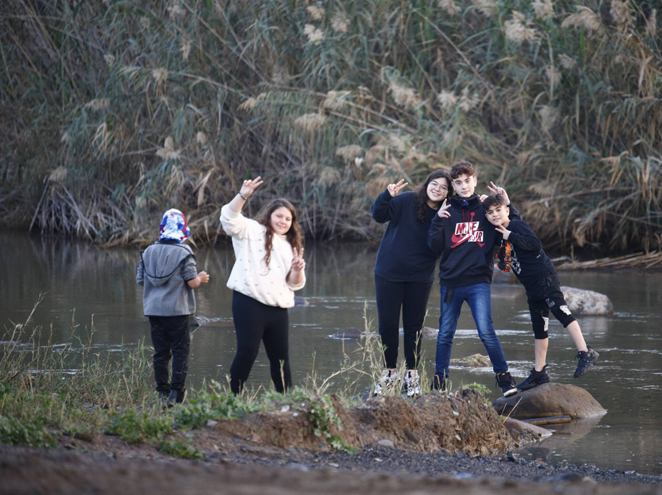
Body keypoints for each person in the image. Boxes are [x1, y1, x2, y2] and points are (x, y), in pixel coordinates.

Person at [483, 194, 599, 389]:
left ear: (507, 210)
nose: (495, 215)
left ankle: (585, 352)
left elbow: (535, 243)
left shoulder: (515, 226)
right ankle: (539, 372)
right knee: (539, 327)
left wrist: (510, 235)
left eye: (498, 210)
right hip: (531, 287)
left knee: (561, 312)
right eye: (490, 212)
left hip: (544, 278)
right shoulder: (498, 232)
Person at [427, 161, 518, 397]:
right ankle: (439, 383)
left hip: (478, 281)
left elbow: (510, 226)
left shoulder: (486, 208)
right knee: (445, 333)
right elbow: (434, 247)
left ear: (474, 181)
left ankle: (505, 379)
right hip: (450, 282)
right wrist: (437, 220)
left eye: (468, 181)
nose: (464, 186)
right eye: (458, 182)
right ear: (453, 186)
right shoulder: (446, 210)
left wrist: (508, 205)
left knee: (486, 331)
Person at [220, 177, 306, 394]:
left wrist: (297, 269)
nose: (283, 221)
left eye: (288, 218)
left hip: (278, 309)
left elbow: (294, 285)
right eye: (279, 216)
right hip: (249, 302)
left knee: (281, 359)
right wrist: (243, 195)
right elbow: (229, 219)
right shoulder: (251, 230)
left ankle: (288, 402)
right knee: (247, 352)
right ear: (270, 215)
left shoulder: (291, 246)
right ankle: (231, 400)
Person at [371, 170, 452, 397]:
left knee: (414, 327)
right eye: (434, 184)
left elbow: (437, 247)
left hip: (420, 277)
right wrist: (386, 195)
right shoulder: (407, 200)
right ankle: (389, 374)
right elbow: (378, 215)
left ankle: (412, 376)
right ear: (427, 184)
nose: (437, 189)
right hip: (388, 272)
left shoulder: (447, 214)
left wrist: (440, 219)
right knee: (387, 325)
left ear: (449, 193)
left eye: (443, 187)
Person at [137, 208, 210, 406]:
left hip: (154, 311)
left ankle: (162, 392)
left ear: (162, 228)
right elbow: (192, 282)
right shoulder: (184, 252)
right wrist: (201, 278)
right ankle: (176, 394)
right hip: (178, 311)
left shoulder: (148, 252)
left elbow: (140, 280)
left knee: (160, 353)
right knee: (180, 351)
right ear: (183, 230)